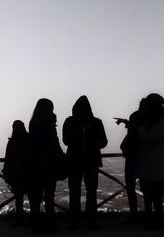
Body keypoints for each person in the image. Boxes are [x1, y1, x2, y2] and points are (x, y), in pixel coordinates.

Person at [62, 95, 108, 230]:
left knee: (83, 192)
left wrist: (91, 142)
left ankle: (79, 222)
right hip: (87, 161)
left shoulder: (71, 122)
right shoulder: (95, 122)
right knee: (83, 191)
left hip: (82, 161)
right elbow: (66, 140)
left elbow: (103, 141)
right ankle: (86, 221)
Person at [136, 93, 164, 229]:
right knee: (160, 193)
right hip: (157, 163)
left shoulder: (161, 123)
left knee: (161, 193)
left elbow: (149, 139)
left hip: (158, 164)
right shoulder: (161, 122)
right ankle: (162, 221)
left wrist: (137, 128)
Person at [28, 98, 63, 233]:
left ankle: (36, 225)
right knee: (49, 197)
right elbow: (54, 142)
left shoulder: (33, 122)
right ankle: (51, 225)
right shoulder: (49, 121)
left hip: (36, 164)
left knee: (36, 198)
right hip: (49, 163)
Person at [115, 99, 145, 224]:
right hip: (142, 157)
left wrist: (127, 123)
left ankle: (134, 215)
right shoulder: (148, 119)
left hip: (134, 158)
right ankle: (148, 215)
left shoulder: (138, 119)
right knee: (146, 188)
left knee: (131, 188)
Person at [2, 120, 31, 226]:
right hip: (26, 172)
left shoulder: (12, 142)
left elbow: (8, 158)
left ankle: (20, 219)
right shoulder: (29, 140)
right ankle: (31, 219)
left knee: (19, 198)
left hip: (19, 173)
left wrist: (7, 171)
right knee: (28, 197)